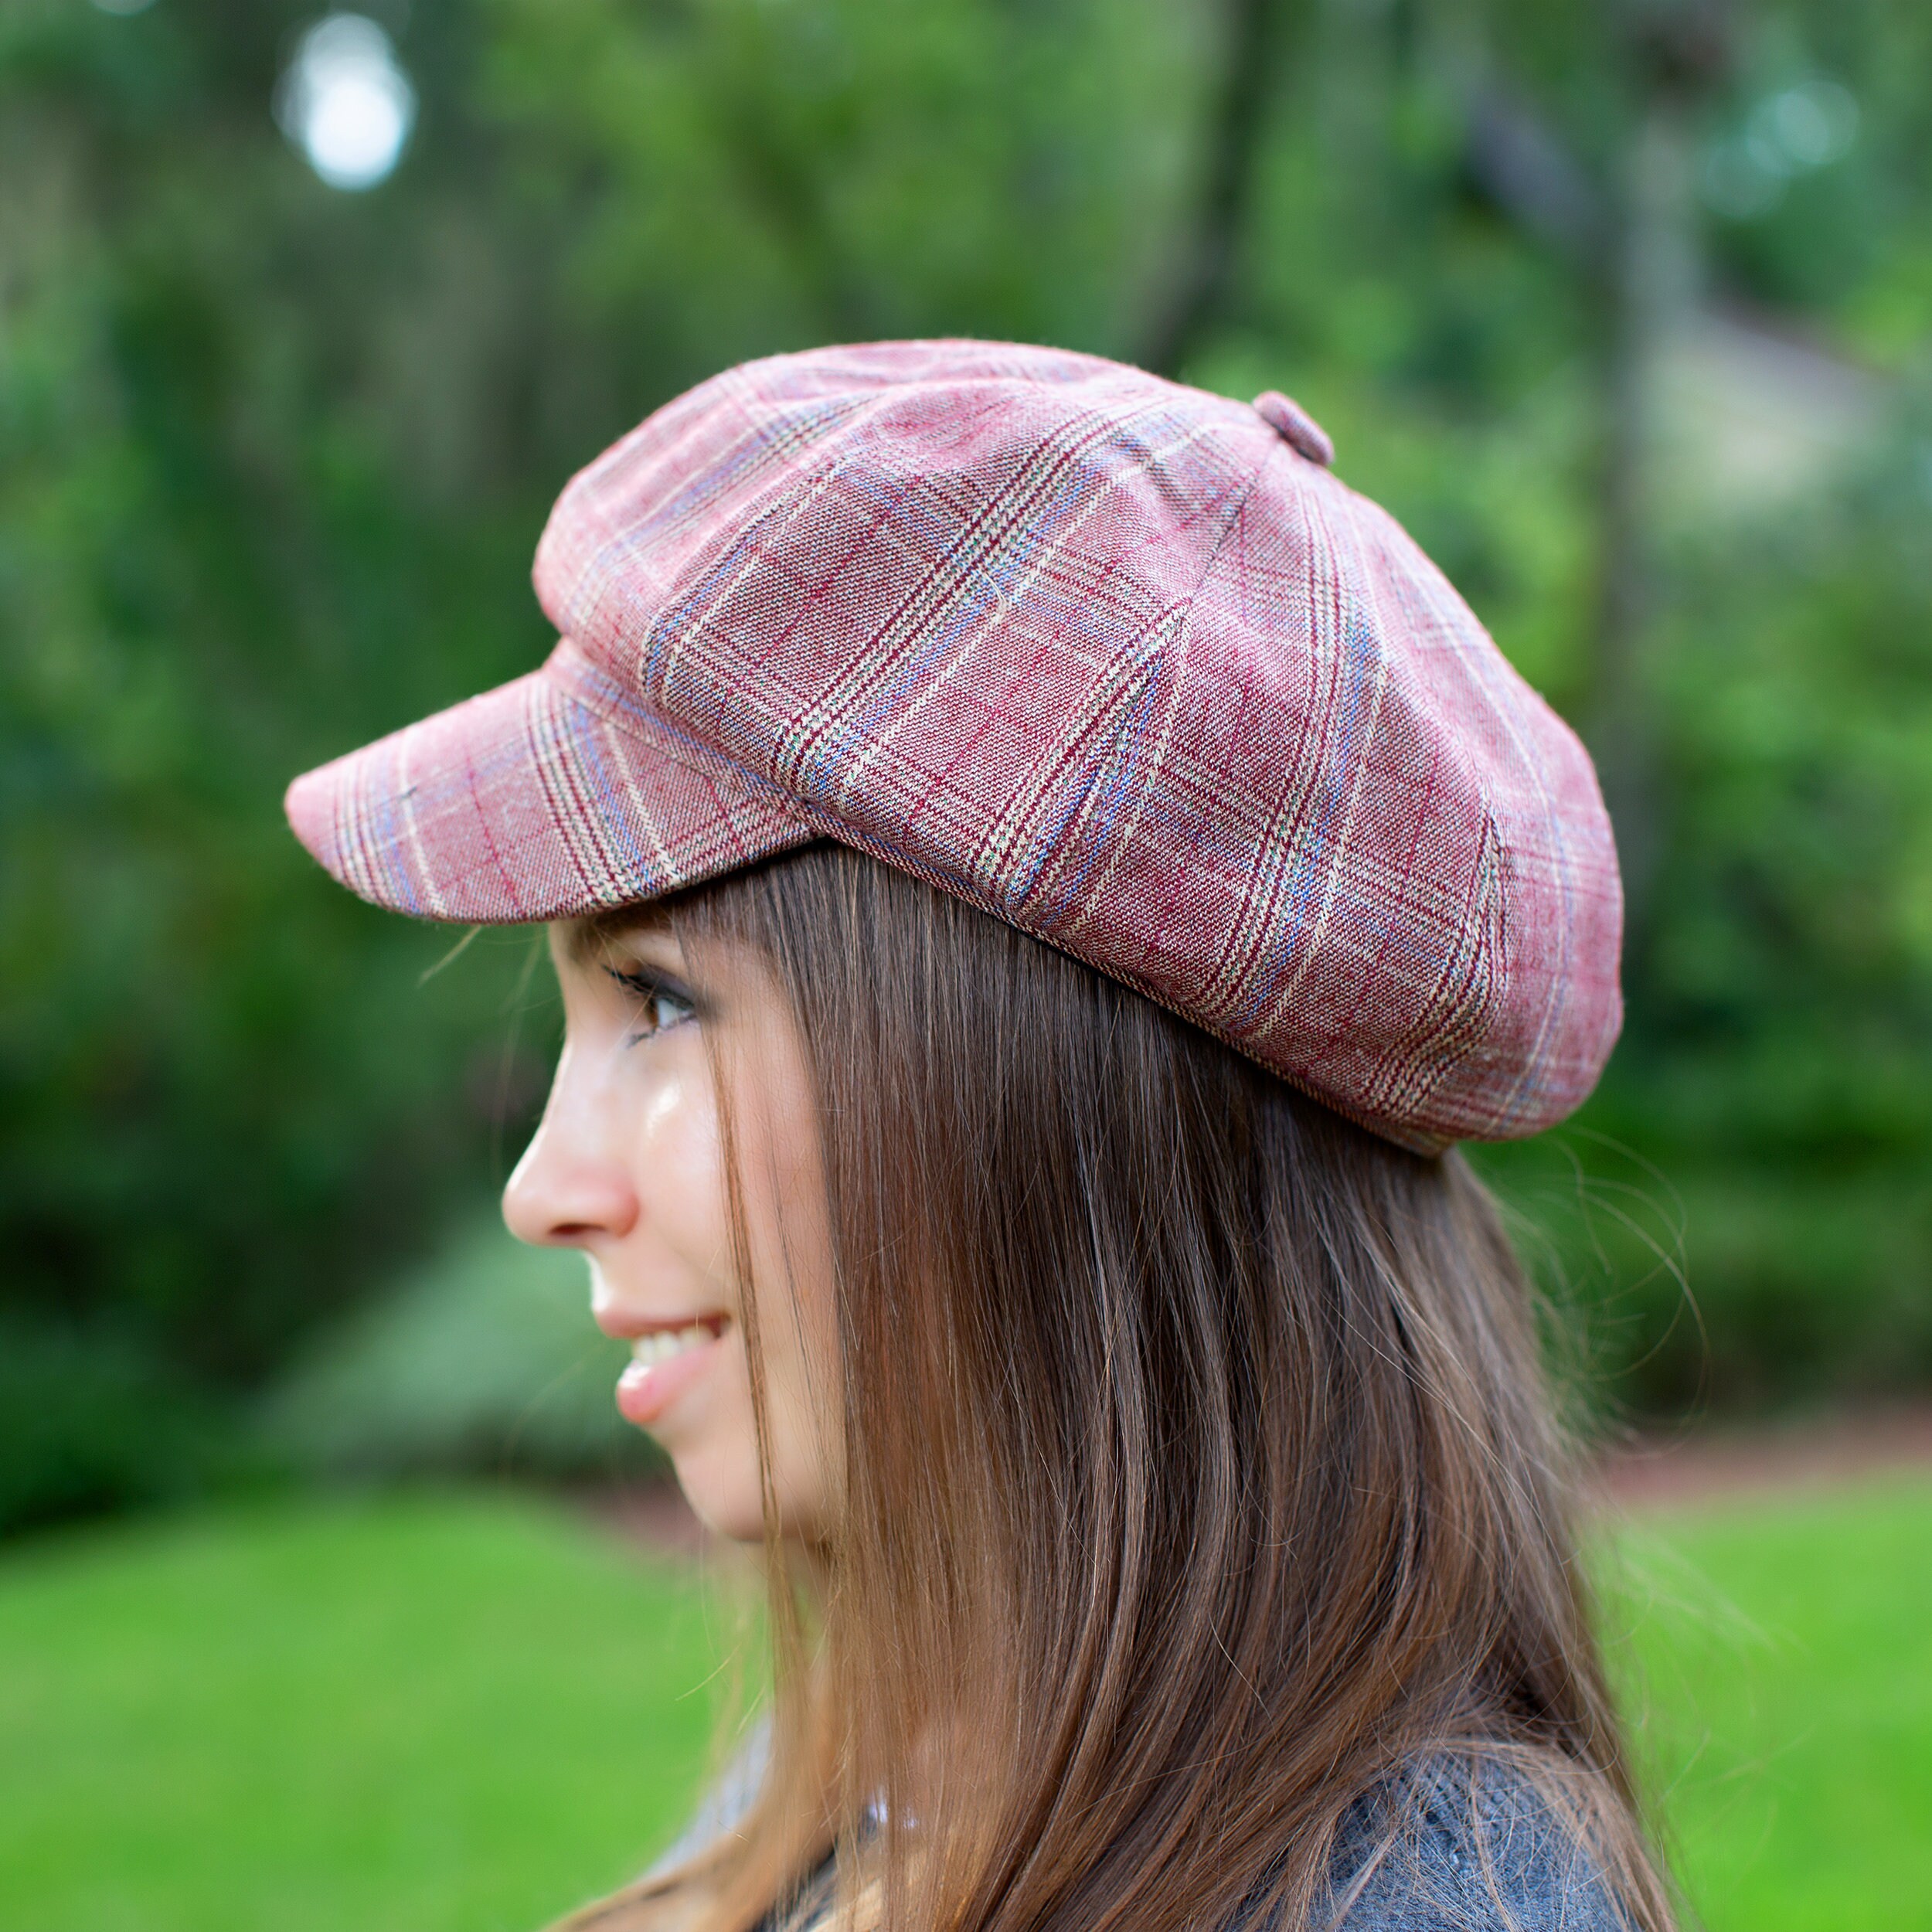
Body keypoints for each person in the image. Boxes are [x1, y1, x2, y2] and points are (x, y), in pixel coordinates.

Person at [287, 342, 1671, 1932]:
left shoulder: (1404, 1904)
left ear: (1059, 1102)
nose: (543, 1188)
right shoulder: (893, 1767)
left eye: (659, 1004)